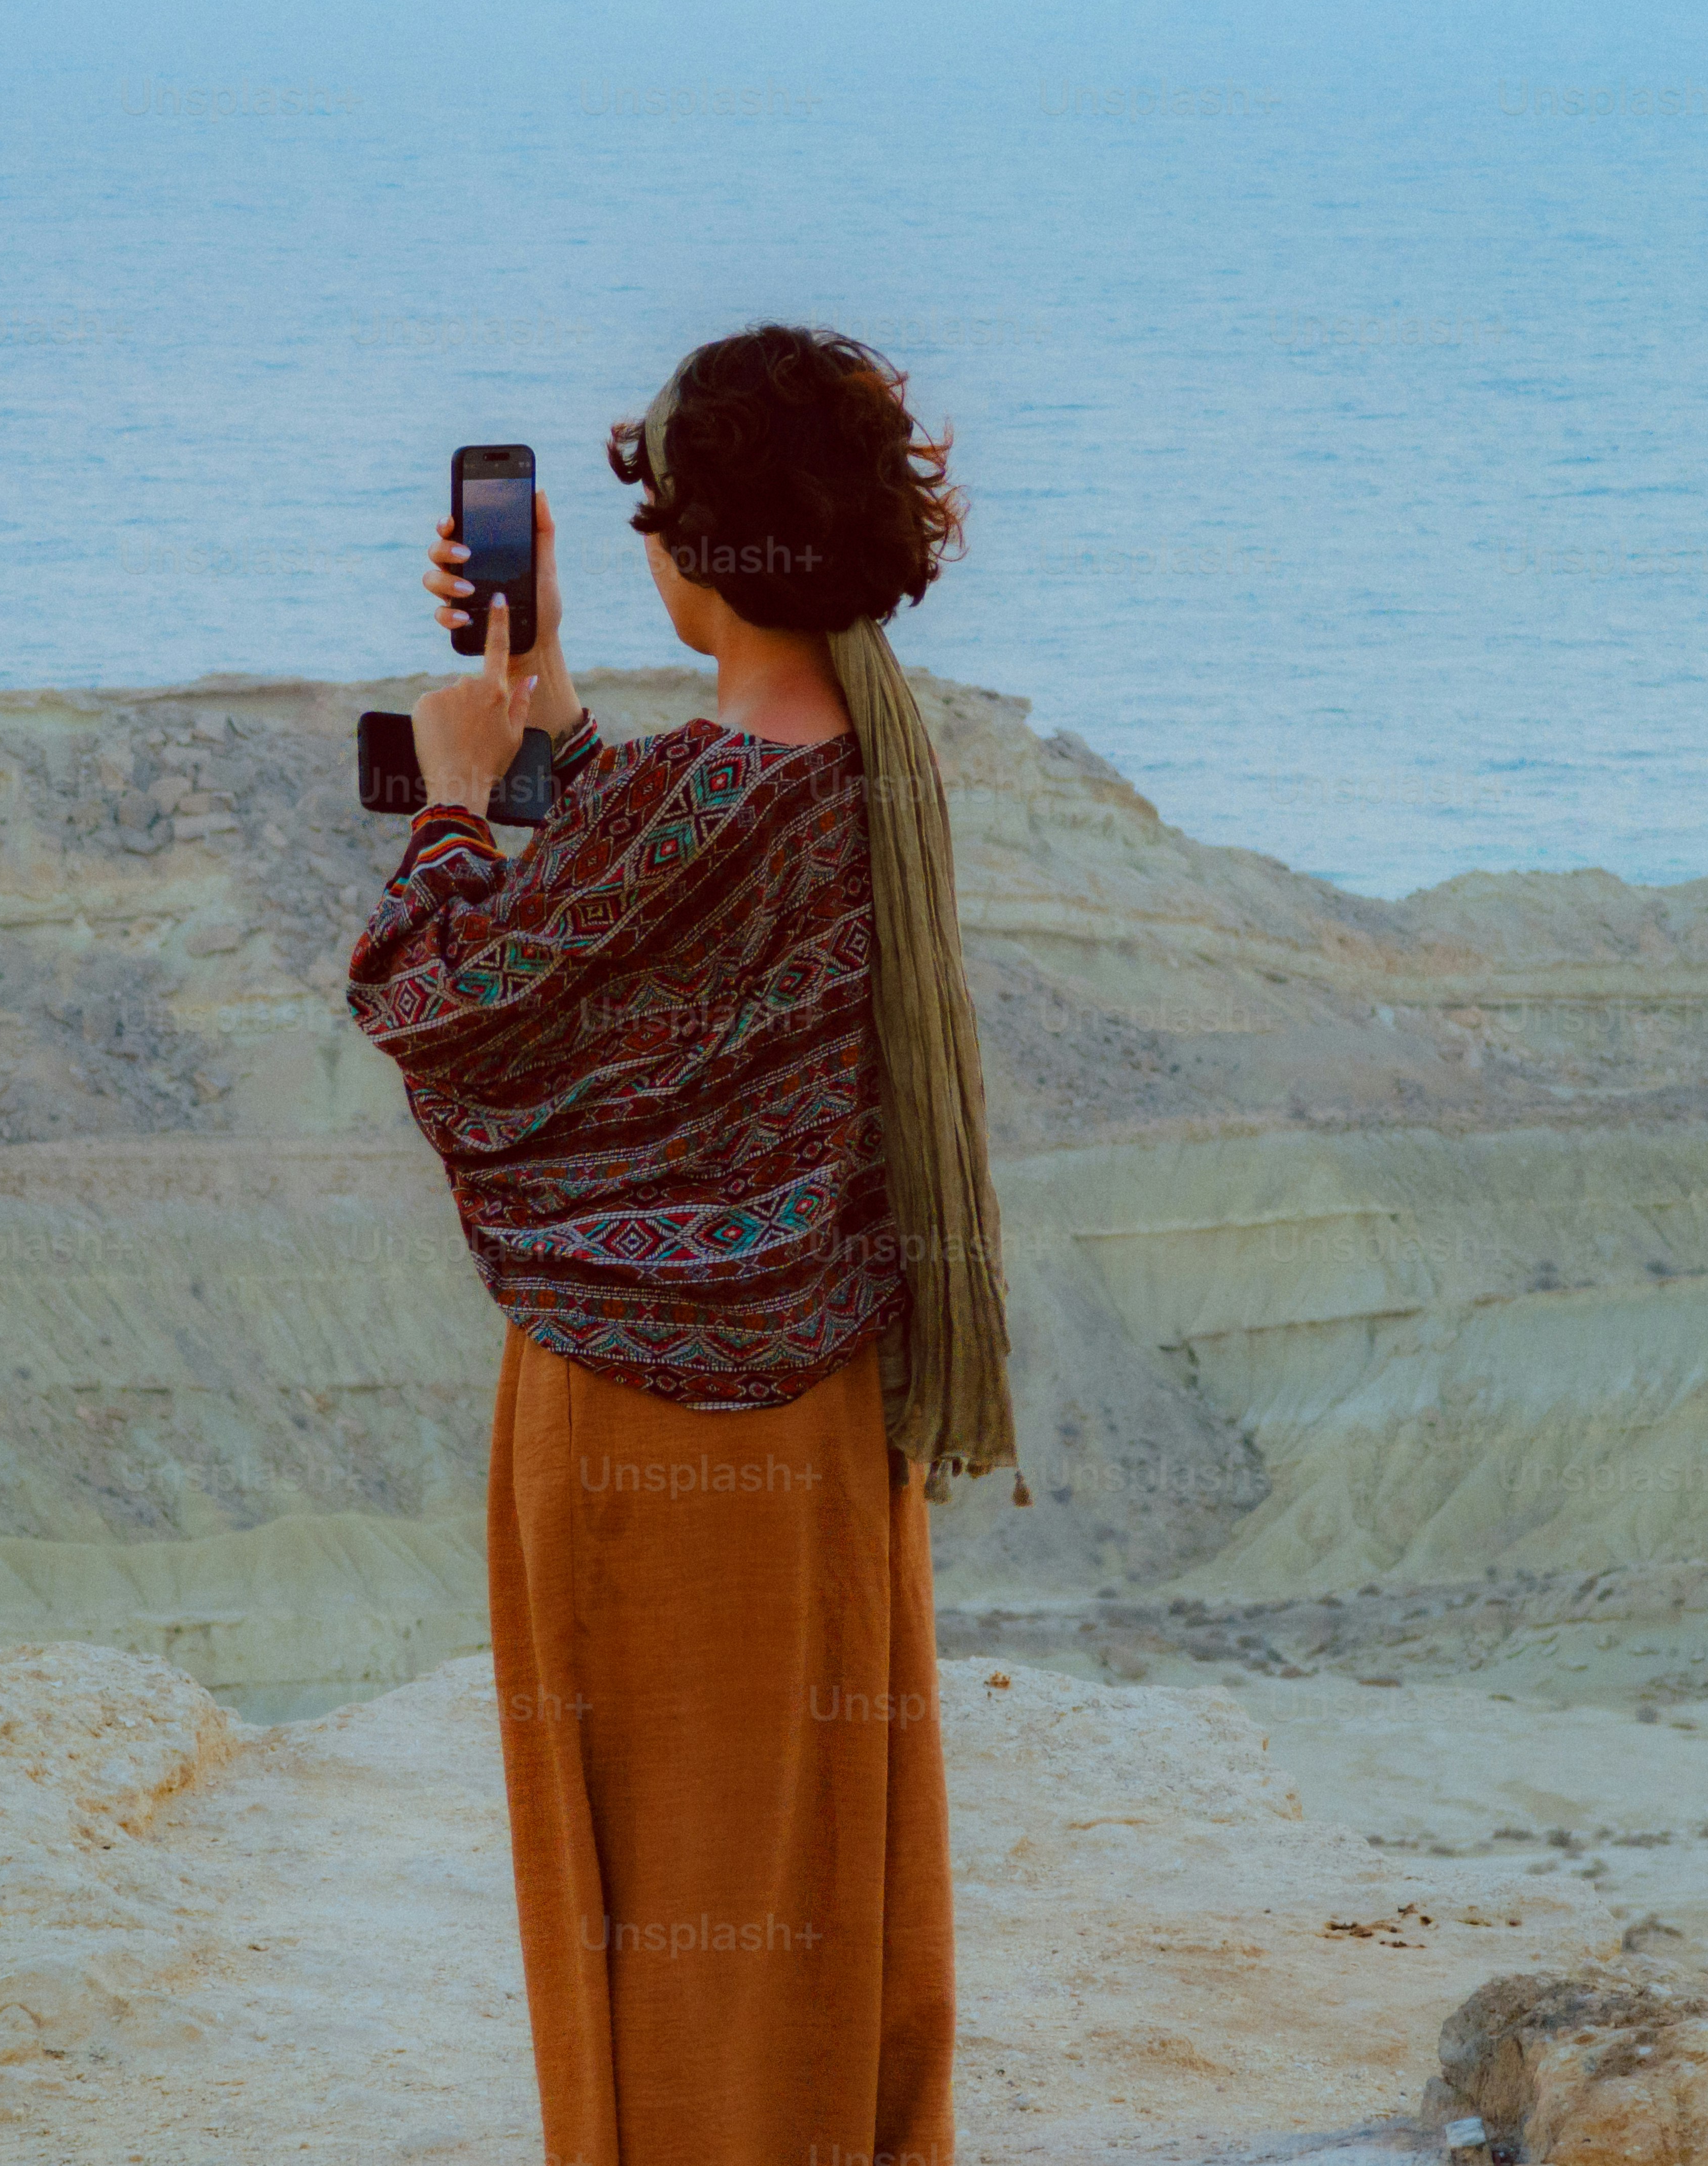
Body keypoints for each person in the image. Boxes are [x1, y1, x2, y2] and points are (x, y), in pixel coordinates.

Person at [346, 324, 1022, 2166]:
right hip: (819, 1438)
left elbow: (443, 997)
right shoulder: (872, 768)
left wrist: (453, 793)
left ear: (707, 548)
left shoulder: (709, 804)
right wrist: (541, 693)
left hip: (643, 1449)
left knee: (652, 1917)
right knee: (809, 1910)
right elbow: (651, 861)